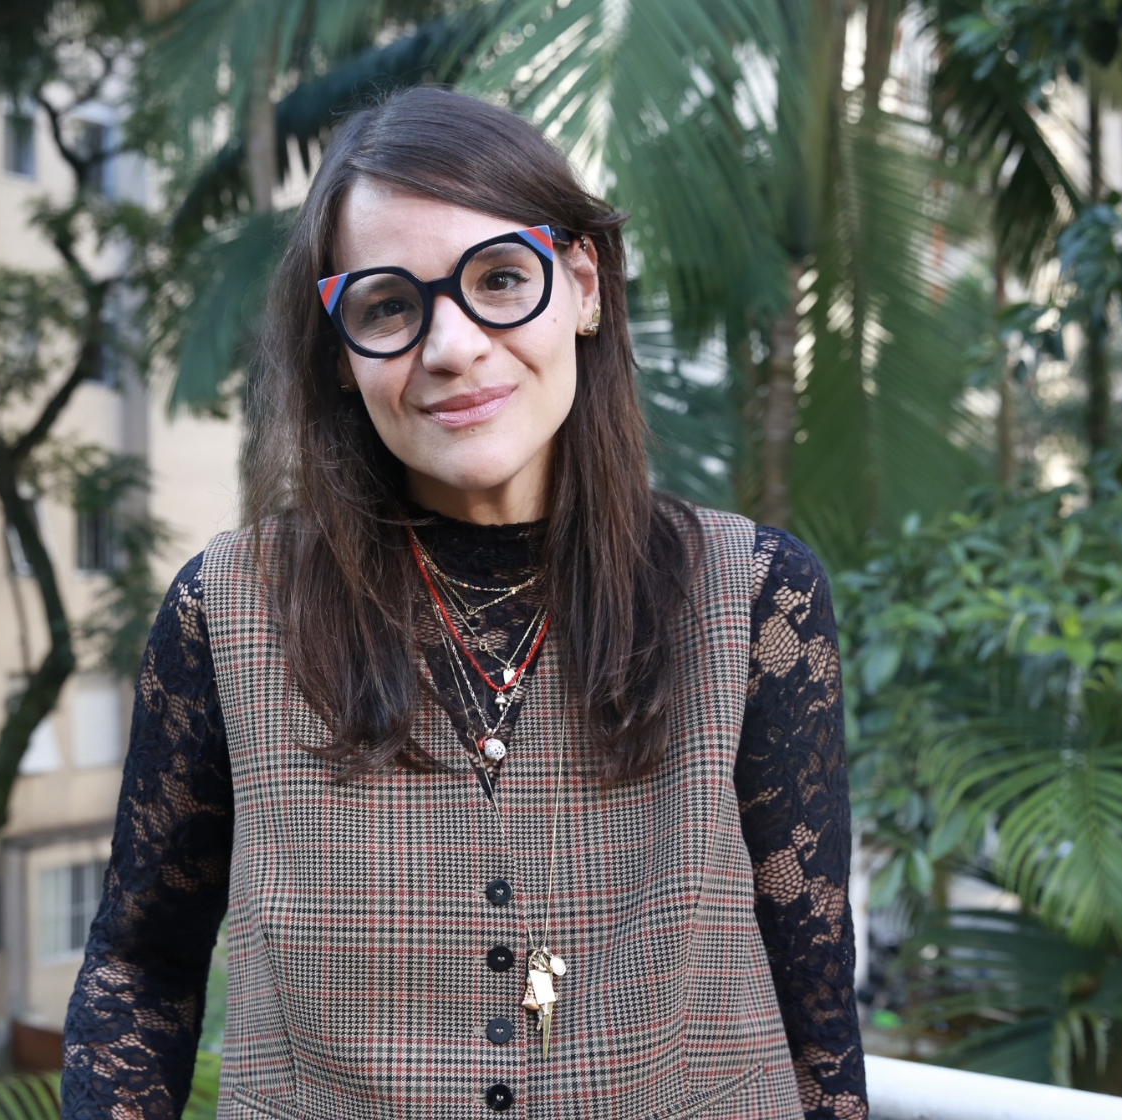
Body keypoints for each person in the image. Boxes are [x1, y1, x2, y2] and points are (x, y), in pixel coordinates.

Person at [61, 86, 867, 1120]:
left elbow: (815, 1003)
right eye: (388, 306)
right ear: (341, 352)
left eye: (499, 278)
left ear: (582, 286)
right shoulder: (229, 610)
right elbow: (141, 965)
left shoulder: (754, 596)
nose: (451, 345)